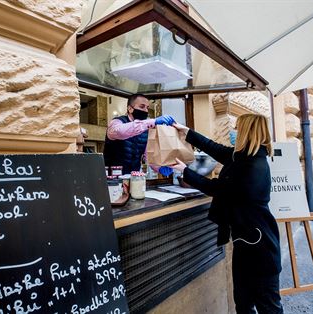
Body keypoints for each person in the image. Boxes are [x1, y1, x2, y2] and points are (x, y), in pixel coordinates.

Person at [170, 114, 283, 314]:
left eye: (237, 128)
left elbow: (218, 188)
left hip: (260, 249)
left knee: (268, 307)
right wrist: (187, 132)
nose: (234, 132)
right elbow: (215, 149)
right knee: (243, 303)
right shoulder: (244, 157)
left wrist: (185, 171)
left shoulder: (253, 166)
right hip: (247, 243)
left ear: (248, 132)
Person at [103, 94, 175, 175]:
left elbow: (149, 155)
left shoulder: (146, 130)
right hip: (112, 178)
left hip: (134, 177)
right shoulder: (117, 122)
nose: (146, 110)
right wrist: (152, 121)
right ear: (130, 108)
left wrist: (159, 167)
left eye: (147, 107)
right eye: (142, 106)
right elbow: (120, 132)